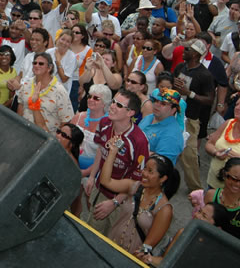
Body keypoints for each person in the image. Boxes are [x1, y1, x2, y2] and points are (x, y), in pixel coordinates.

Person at [83, 90, 150, 235]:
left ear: (130, 113)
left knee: (111, 240)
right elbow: (101, 149)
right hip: (99, 188)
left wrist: (114, 203)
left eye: (119, 105)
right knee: (91, 232)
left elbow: (136, 181)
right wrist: (92, 177)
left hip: (122, 200)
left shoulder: (139, 141)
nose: (112, 106)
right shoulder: (105, 123)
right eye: (113, 101)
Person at [101, 148, 179, 257]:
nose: (144, 173)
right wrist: (112, 153)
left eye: (150, 171)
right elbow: (105, 181)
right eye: (145, 168)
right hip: (110, 247)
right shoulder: (133, 187)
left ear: (163, 179)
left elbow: (147, 247)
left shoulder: (164, 209)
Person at [174, 40, 215, 191]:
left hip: (190, 119)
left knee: (190, 157)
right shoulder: (180, 67)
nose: (183, 50)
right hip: (173, 115)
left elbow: (210, 99)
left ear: (196, 54)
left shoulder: (205, 75)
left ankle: (196, 190)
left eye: (187, 49)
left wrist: (189, 93)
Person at [16, 52, 74, 133]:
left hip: (47, 138)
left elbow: (66, 121)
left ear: (49, 68)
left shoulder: (60, 91)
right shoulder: (26, 84)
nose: (36, 65)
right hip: (25, 134)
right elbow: (20, 107)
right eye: (34, 63)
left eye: (41, 64)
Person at [70, 84, 112, 170]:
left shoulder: (108, 126)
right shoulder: (78, 117)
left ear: (105, 103)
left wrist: (86, 173)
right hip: (71, 163)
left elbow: (105, 158)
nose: (91, 100)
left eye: (96, 98)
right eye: (89, 96)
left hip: (94, 170)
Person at [139, 89, 186, 166]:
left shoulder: (172, 135)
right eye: (156, 101)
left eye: (163, 104)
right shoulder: (149, 117)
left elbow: (158, 163)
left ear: (173, 110)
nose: (157, 105)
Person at [56, 123, 85, 216]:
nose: (58, 135)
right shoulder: (54, 150)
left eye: (63, 135)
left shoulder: (72, 166)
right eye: (58, 131)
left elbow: (75, 199)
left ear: (72, 144)